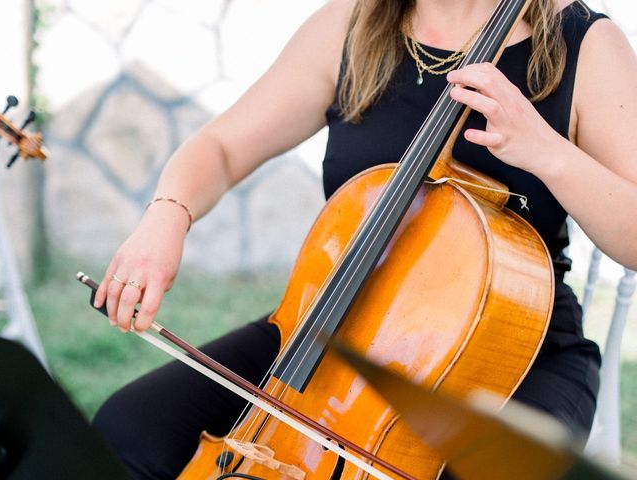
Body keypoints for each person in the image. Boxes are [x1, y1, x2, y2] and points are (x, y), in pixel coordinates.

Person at [92, 0, 637, 478]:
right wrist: (167, 215)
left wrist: (550, 153)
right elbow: (221, 147)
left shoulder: (584, 45)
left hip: (510, 352)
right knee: (131, 430)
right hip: (332, 324)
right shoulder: (350, 26)